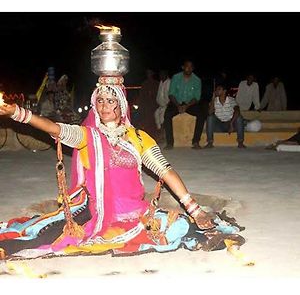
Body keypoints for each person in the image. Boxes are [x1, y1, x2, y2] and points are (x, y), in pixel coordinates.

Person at [0, 76, 245, 259]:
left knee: (179, 225)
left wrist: (194, 208)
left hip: (133, 211)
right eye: (100, 101)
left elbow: (166, 171)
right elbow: (55, 129)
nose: (104, 105)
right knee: (49, 234)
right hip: (98, 210)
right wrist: (18, 113)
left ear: (121, 105)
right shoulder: (89, 136)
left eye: (110, 100)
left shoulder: (138, 138)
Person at [164, 60, 207, 150]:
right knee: (167, 114)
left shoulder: (197, 80)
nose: (189, 68)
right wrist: (178, 105)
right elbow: (171, 94)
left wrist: (186, 106)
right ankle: (169, 143)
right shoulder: (176, 77)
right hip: (176, 102)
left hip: (190, 104)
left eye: (191, 67)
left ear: (193, 68)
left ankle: (195, 141)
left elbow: (196, 97)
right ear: (183, 67)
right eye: (187, 66)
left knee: (201, 114)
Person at [205, 83, 246, 149]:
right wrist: (212, 99)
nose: (216, 91)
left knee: (239, 118)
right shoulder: (214, 101)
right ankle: (210, 142)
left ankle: (240, 142)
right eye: (216, 90)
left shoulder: (231, 100)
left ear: (224, 91)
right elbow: (210, 113)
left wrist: (231, 123)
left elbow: (237, 111)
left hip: (230, 124)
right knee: (210, 117)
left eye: (219, 89)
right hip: (219, 125)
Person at [137, 69, 159, 138]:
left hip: (154, 105)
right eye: (147, 73)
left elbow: (158, 95)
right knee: (146, 121)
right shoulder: (144, 83)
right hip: (146, 106)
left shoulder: (156, 83)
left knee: (154, 120)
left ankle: (155, 135)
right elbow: (141, 96)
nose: (149, 75)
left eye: (150, 73)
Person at [154, 70, 171, 139]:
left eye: (162, 74)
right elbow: (159, 94)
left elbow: (169, 94)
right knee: (156, 115)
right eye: (160, 75)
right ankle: (160, 133)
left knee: (162, 118)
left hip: (167, 105)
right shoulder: (161, 82)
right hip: (161, 105)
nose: (161, 76)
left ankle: (163, 135)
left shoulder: (169, 82)